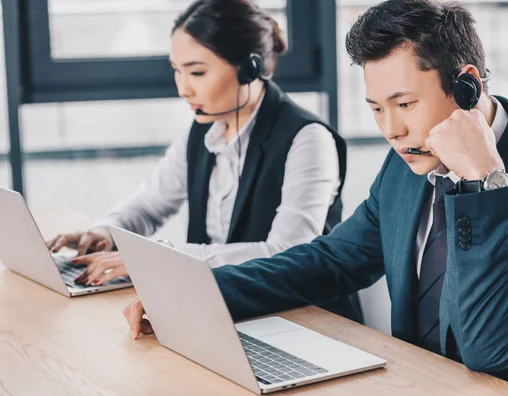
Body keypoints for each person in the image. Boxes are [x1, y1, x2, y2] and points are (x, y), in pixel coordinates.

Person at [124, 0, 508, 396]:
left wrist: (482, 181)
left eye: (405, 104)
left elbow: (490, 348)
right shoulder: (409, 161)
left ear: (466, 84)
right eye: (376, 109)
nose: (391, 130)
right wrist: (196, 296)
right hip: (423, 386)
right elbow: (331, 260)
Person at [47, 0, 362, 322]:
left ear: (248, 69)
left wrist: (162, 258)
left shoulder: (307, 138)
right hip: (227, 303)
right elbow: (151, 204)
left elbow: (287, 252)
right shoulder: (204, 130)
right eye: (177, 70)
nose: (184, 88)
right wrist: (105, 232)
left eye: (197, 72)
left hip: (306, 316)